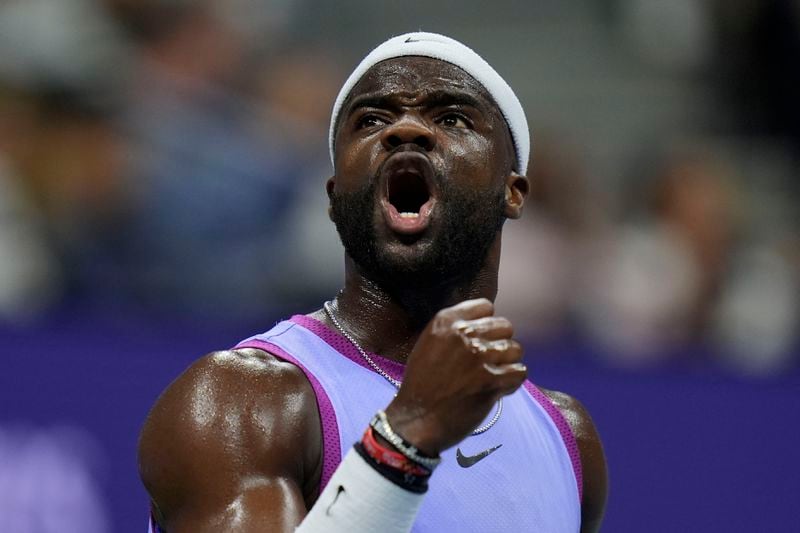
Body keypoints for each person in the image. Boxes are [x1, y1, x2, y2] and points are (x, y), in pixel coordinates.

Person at [138, 32, 608, 532]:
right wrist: (405, 439)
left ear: (512, 192)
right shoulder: (239, 404)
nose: (406, 129)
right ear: (335, 193)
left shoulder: (568, 439)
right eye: (372, 120)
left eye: (451, 118)